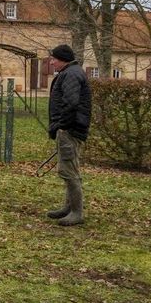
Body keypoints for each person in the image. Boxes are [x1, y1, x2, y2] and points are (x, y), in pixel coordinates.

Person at [45, 44, 91, 227]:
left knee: (69, 171)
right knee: (70, 169)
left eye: (54, 58)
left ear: (62, 59)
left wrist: (59, 126)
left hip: (70, 129)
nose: (51, 61)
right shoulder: (71, 72)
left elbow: (71, 104)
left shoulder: (71, 74)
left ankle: (76, 213)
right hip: (71, 128)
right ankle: (68, 208)